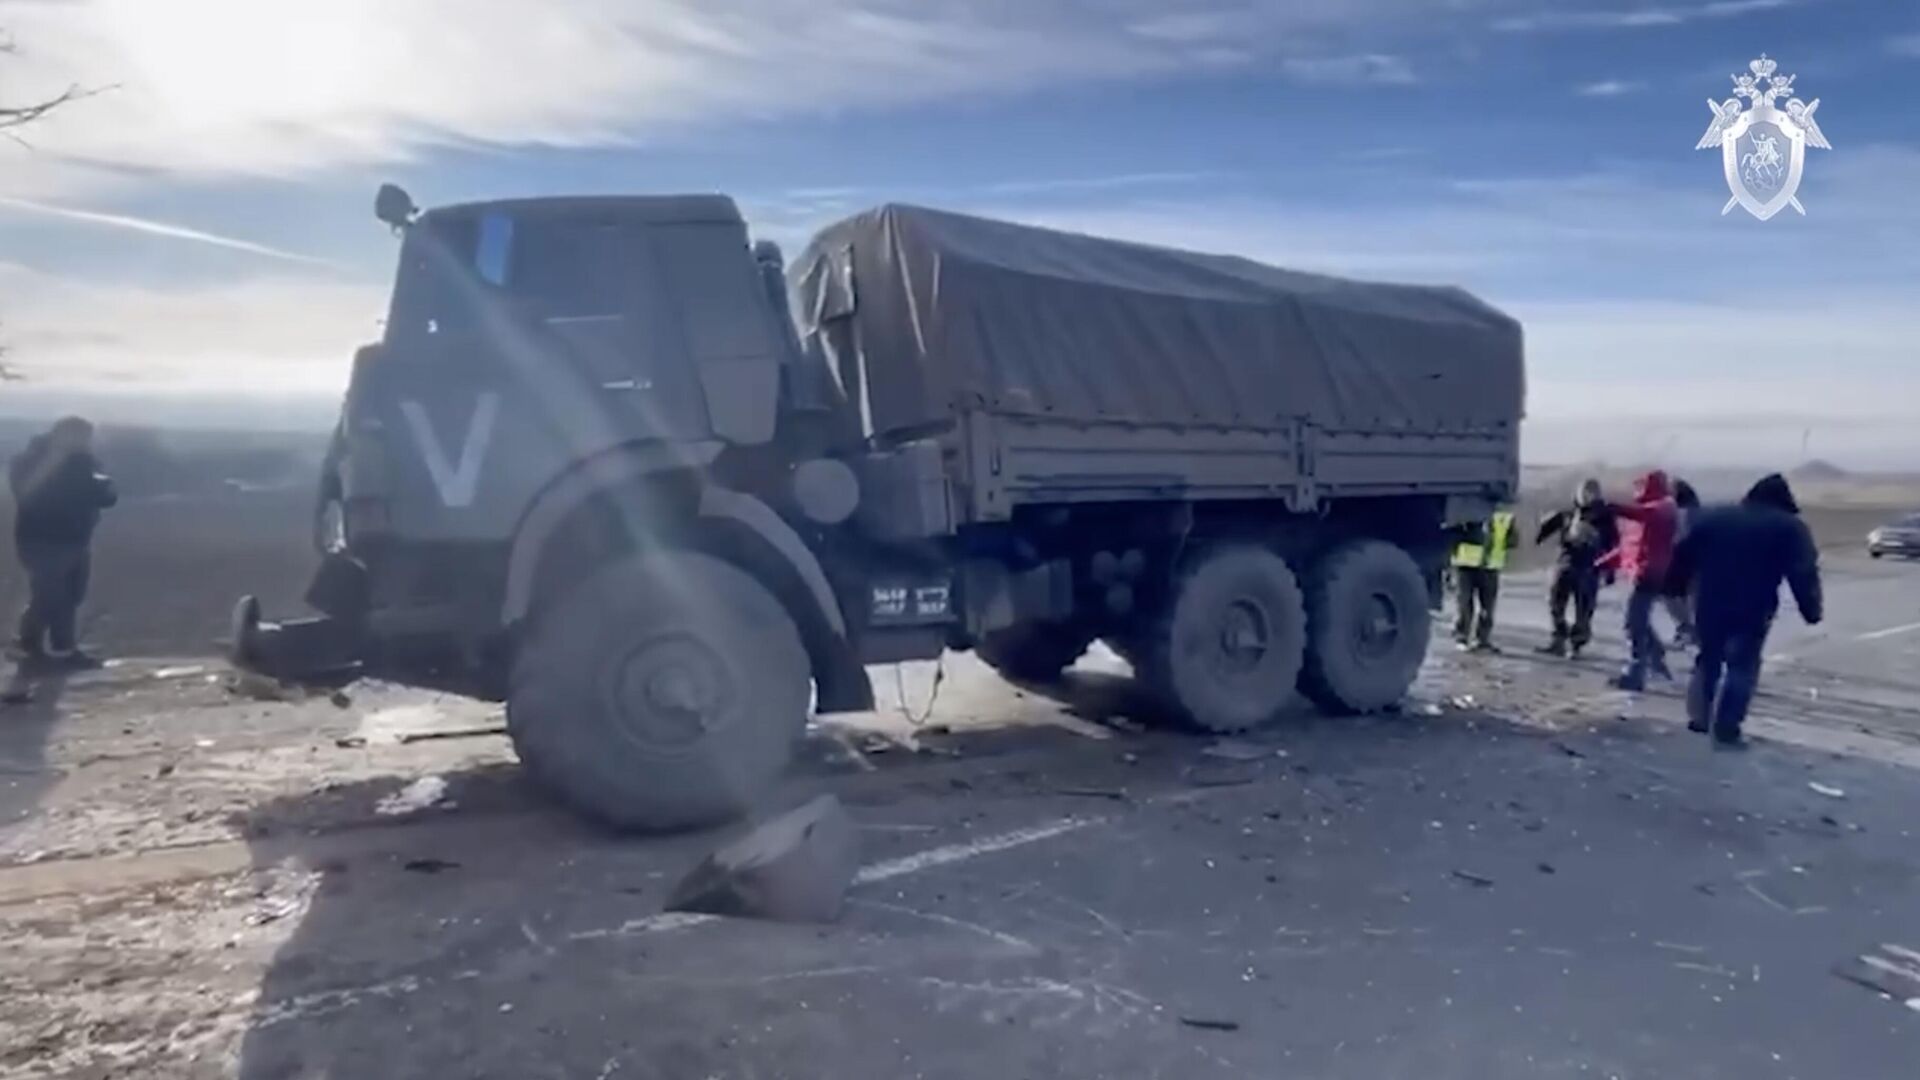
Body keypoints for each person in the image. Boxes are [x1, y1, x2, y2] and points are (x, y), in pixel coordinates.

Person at [1668, 473, 1821, 748]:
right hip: (1753, 605)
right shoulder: (1789, 527)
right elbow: (1803, 571)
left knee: (1708, 657)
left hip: (1707, 600)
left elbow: (1683, 553)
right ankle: (1726, 727)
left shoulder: (1716, 517)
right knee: (1742, 666)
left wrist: (1673, 586)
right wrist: (1811, 609)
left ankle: (1699, 718)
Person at [8, 416, 117, 668]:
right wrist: (74, 480)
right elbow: (29, 493)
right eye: (80, 436)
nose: (84, 442)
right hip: (43, 540)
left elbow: (102, 497)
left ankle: (32, 643)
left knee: (69, 594)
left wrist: (102, 489)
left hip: (76, 538)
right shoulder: (32, 460)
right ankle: (60, 649)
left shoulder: (84, 462)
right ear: (60, 434)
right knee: (54, 596)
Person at [1599, 470, 1678, 691]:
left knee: (1633, 623)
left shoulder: (1663, 507)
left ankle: (1636, 673)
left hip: (1648, 573)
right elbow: (1628, 546)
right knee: (1639, 620)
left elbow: (1647, 516)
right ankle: (1656, 660)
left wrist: (1614, 508)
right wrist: (1602, 564)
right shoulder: (1641, 514)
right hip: (1638, 572)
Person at [1534, 478, 1618, 658]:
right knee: (1555, 603)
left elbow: (1613, 545)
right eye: (1583, 492)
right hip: (1564, 564)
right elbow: (1545, 529)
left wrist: (1610, 570)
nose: (1586, 496)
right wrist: (1542, 529)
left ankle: (1577, 645)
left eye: (1590, 493)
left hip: (1589, 568)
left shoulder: (1604, 518)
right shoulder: (1569, 514)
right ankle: (1558, 640)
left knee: (1584, 609)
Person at [1449, 506, 1517, 653]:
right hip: (1467, 564)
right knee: (1468, 605)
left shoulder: (1504, 517)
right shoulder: (1470, 513)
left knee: (1479, 606)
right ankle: (1466, 637)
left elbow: (1513, 541)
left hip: (1487, 566)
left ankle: (1480, 640)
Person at [1663, 479, 1702, 649]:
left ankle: (1686, 629)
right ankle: (1692, 631)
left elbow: (1677, 538)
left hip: (1679, 560)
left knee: (1670, 595)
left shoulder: (1680, 513)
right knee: (1692, 598)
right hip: (1697, 561)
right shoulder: (1698, 512)